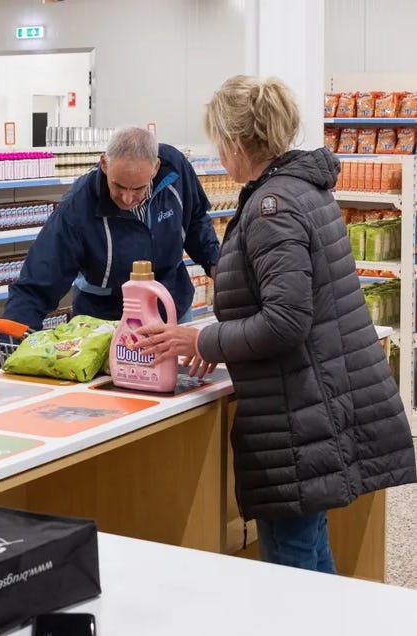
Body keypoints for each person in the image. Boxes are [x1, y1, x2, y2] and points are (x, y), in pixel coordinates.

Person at [135, 75, 417, 573]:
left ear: (236, 141)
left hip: (297, 414)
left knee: (292, 566)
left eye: (219, 141)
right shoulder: (299, 190)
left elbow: (285, 321)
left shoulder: (273, 207)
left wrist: (202, 339)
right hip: (314, 403)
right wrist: (221, 341)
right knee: (309, 552)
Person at [3, 127, 219, 330]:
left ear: (155, 168)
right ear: (104, 164)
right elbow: (39, 281)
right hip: (105, 322)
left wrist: (215, 263)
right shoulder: (78, 205)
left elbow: (196, 219)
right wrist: (14, 339)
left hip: (170, 307)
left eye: (138, 189)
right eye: (118, 186)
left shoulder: (175, 169)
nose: (127, 198)